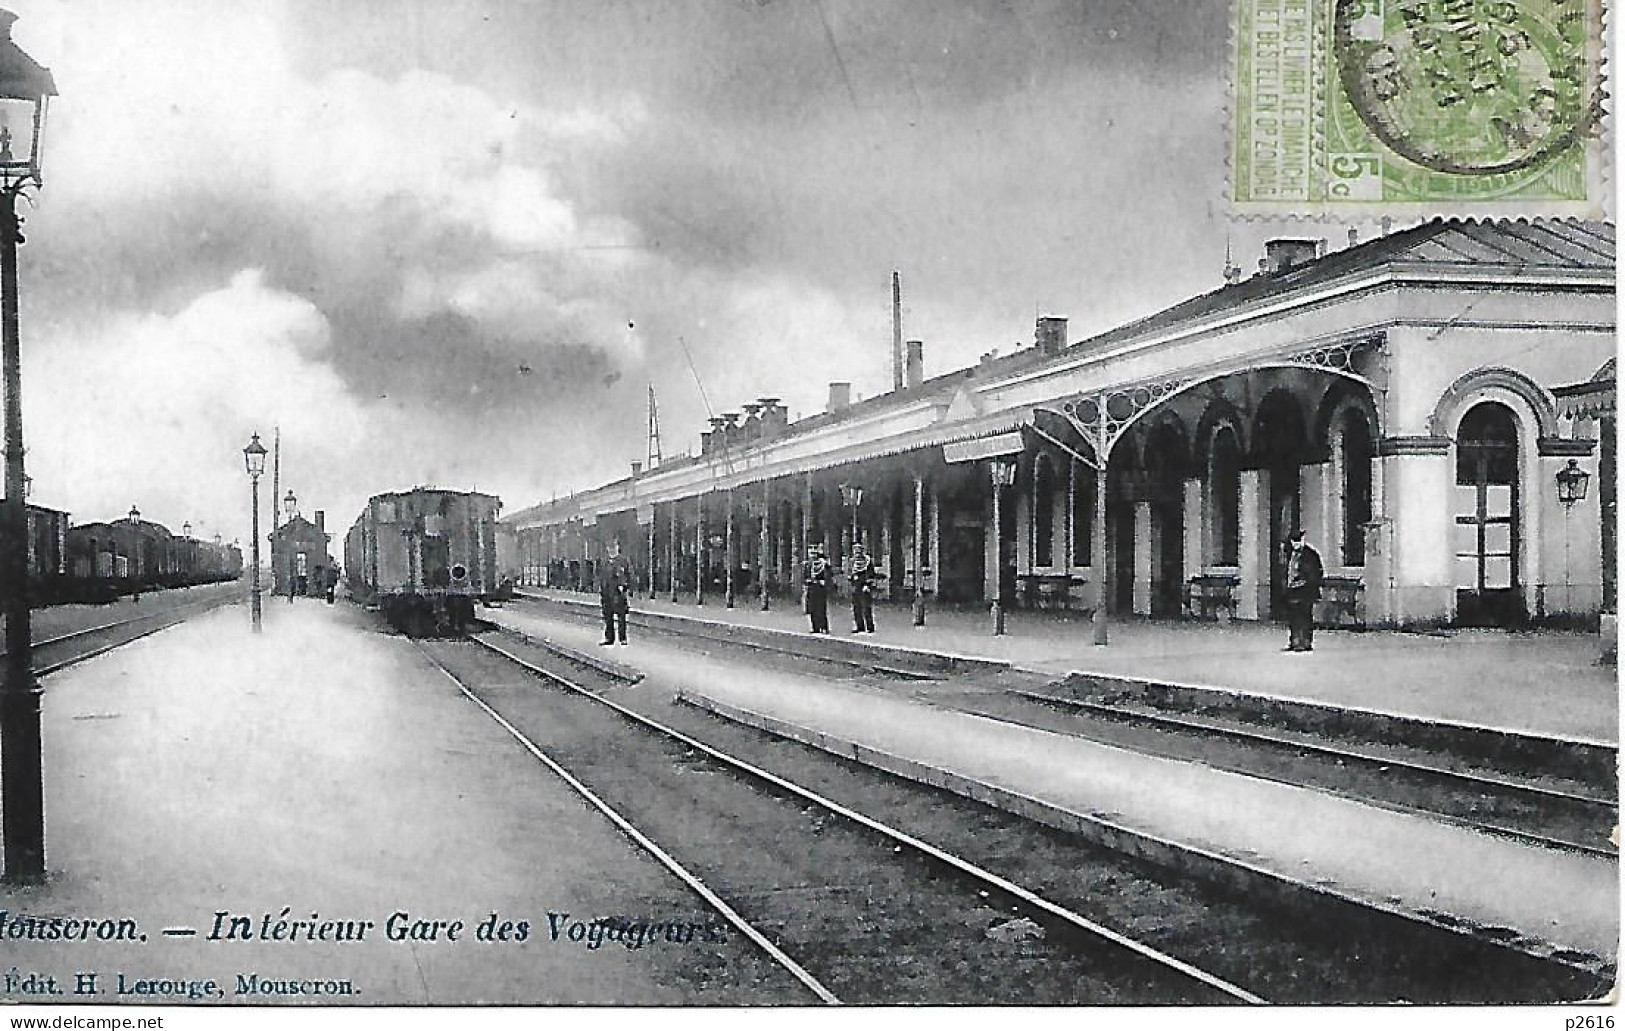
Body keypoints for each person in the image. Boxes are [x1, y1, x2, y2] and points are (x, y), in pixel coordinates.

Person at [1282, 529, 1324, 652]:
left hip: (1305, 591)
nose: (1296, 544)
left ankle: (1305, 642)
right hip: (1292, 590)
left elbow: (1316, 573)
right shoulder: (1289, 553)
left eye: (1298, 541)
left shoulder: (1310, 554)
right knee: (1293, 617)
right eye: (1294, 541)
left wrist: (1306, 582)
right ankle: (1294, 641)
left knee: (1305, 616)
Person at [599, 550, 631, 646]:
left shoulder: (622, 561)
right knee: (608, 617)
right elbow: (601, 576)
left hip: (618, 593)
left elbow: (627, 575)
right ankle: (609, 637)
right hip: (606, 593)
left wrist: (624, 586)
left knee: (621, 616)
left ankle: (622, 638)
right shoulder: (605, 562)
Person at [803, 544, 834, 634]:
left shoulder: (823, 564)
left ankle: (824, 627)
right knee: (812, 609)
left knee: (821, 608)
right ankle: (815, 627)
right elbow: (805, 577)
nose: (813, 554)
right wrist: (807, 581)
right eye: (811, 552)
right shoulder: (808, 564)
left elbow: (828, 575)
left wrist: (824, 581)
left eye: (814, 552)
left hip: (820, 588)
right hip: (811, 588)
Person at [848, 542, 877, 634]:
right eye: (855, 550)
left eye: (858, 549)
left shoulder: (867, 561)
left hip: (865, 586)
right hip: (856, 586)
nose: (857, 552)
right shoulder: (852, 562)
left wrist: (867, 585)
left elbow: (871, 575)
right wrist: (851, 579)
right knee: (856, 608)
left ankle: (870, 626)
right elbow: (850, 573)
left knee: (866, 607)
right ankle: (859, 626)